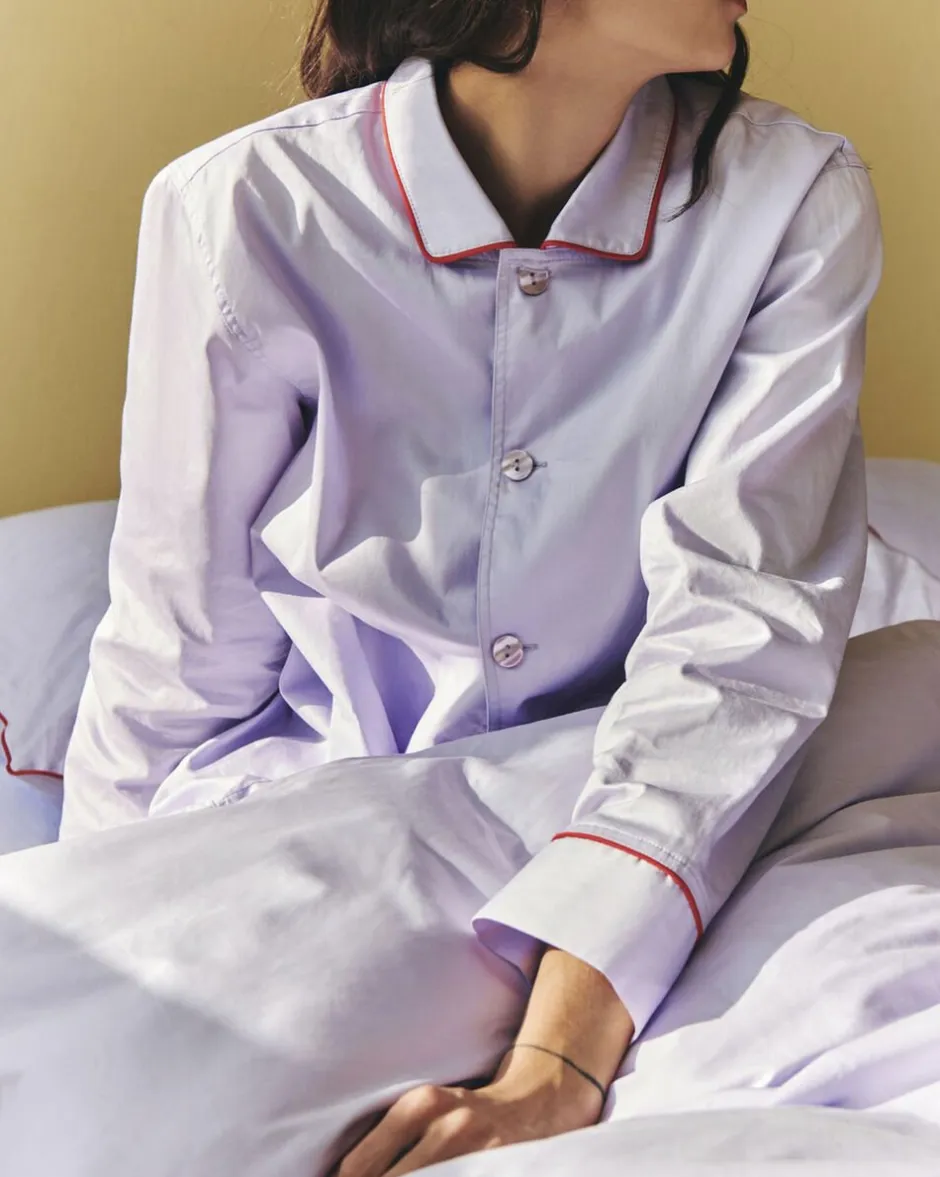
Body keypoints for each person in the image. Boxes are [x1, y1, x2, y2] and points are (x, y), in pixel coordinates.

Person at [59, 0, 882, 1172]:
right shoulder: (244, 206)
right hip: (326, 816)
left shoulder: (792, 198)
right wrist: (90, 933)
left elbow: (738, 644)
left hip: (670, 809)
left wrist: (560, 1063)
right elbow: (179, 649)